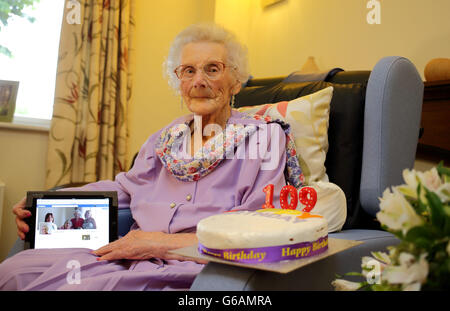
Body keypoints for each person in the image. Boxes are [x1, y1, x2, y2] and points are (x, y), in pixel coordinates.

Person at [1, 23, 301, 291]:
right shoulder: (164, 138)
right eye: (188, 71)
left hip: (192, 266)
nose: (199, 81)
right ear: (178, 81)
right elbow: (126, 187)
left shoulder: (264, 138)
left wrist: (159, 243)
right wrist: (45, 202)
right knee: (12, 271)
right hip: (128, 256)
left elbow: (262, 228)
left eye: (212, 69)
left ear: (236, 80)